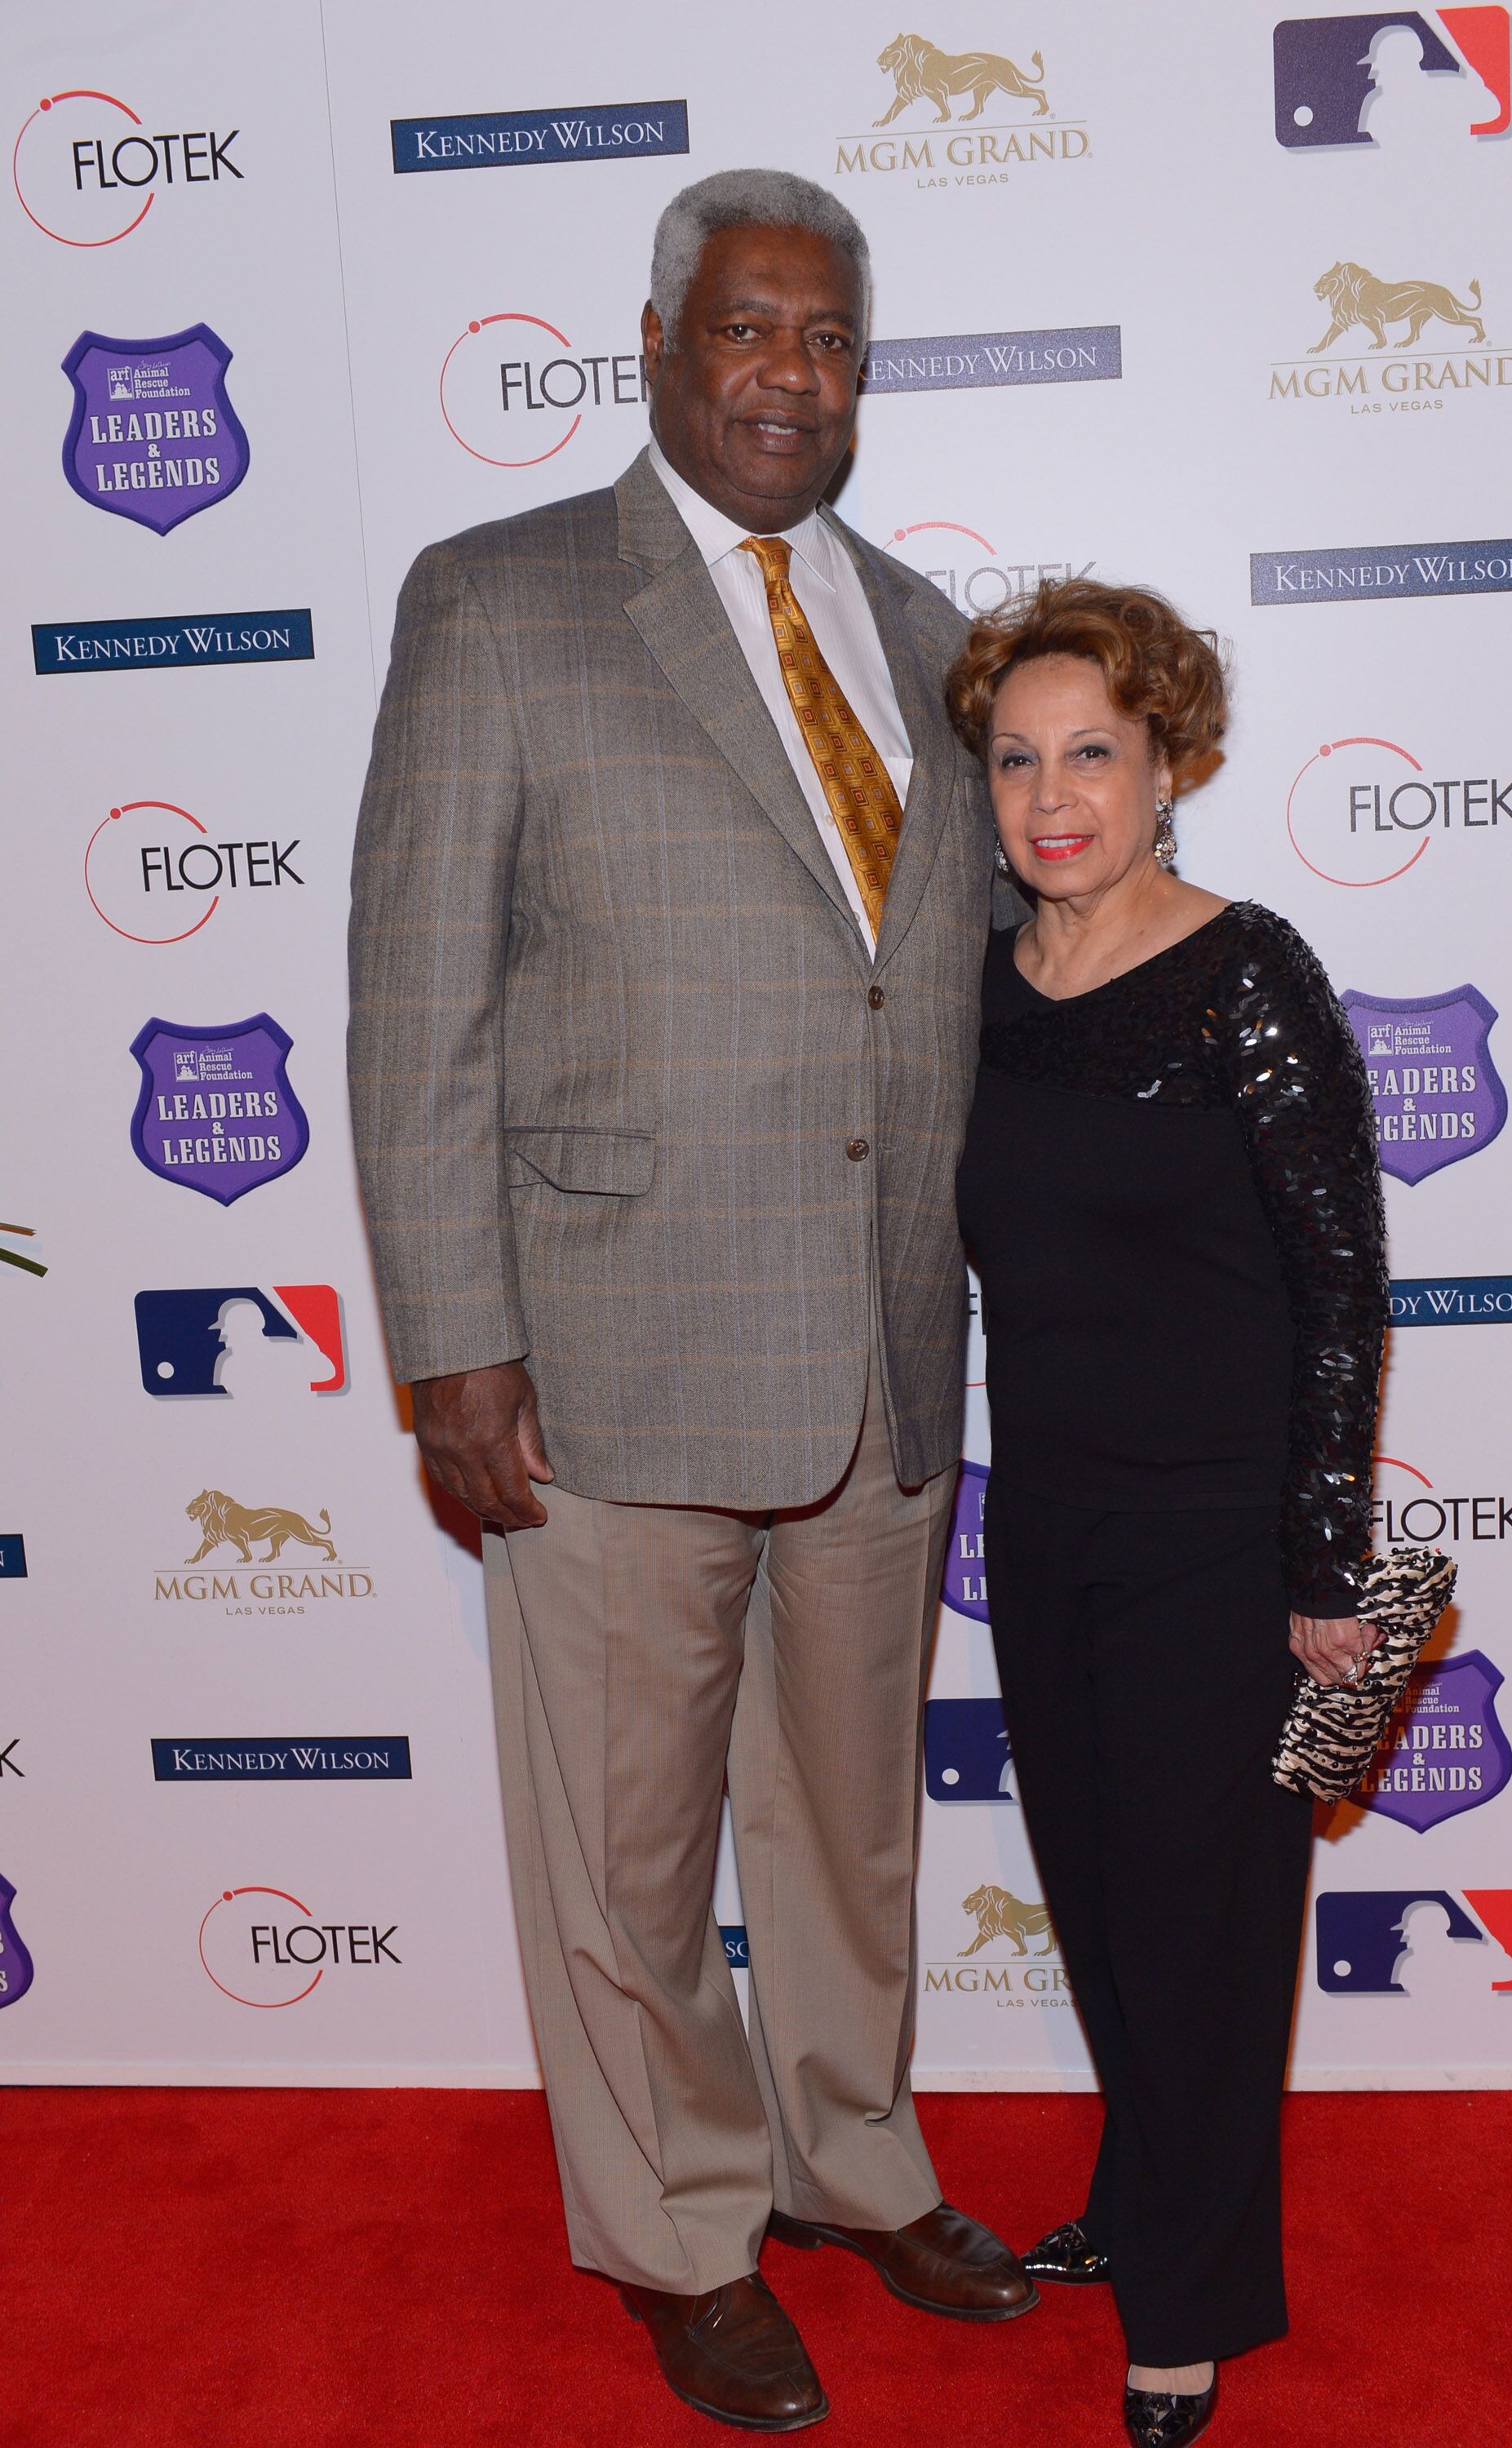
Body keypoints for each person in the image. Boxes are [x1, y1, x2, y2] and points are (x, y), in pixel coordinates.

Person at [348, 167, 1035, 2435]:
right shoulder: (502, 600)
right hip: (607, 1348)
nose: (786, 375)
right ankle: (673, 2228)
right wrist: (455, 1339)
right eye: (745, 331)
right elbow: (417, 997)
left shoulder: (924, 625)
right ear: (655, 348)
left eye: (825, 339)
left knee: (842, 1823)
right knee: (626, 1848)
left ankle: (851, 2165)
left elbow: (925, 995)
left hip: (868, 1348)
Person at [948, 580, 1388, 2448]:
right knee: (1109, 1914)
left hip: (1220, 1542)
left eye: (1092, 757)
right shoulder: (983, 981)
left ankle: (1190, 2311)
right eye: (1017, 760)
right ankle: (1143, 2207)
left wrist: (1318, 1566)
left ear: (1167, 768)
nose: (1054, 797)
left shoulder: (1247, 973)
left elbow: (1339, 1288)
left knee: (1204, 1930)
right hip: (1043, 1526)